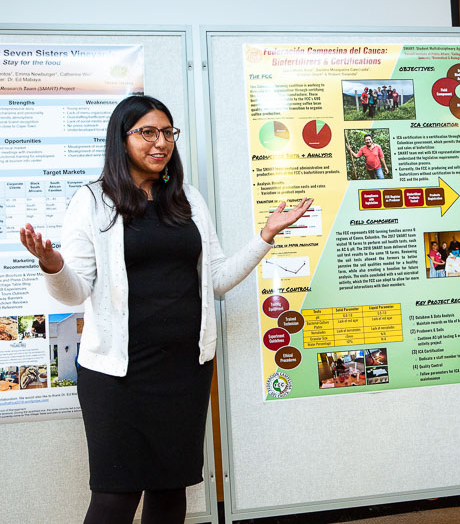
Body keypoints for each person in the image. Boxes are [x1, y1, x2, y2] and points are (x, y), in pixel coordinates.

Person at [19, 95, 313, 524]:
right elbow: (73, 291)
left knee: (170, 491)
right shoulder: (93, 201)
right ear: (122, 140)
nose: (161, 143)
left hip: (183, 372)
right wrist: (52, 264)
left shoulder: (187, 199)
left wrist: (264, 237)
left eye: (168, 133)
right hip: (118, 376)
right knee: (114, 498)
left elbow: (215, 279)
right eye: (148, 133)